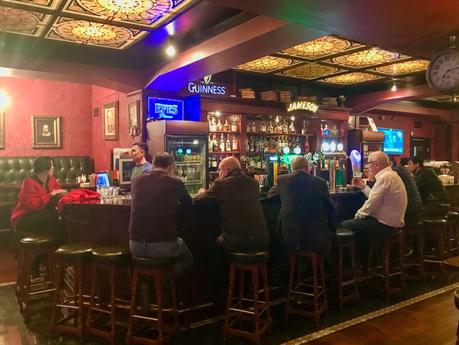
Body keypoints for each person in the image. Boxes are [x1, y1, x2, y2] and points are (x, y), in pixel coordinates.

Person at [129, 152, 193, 275]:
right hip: (163, 245)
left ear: (153, 165)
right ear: (170, 167)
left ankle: (151, 284)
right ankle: (165, 281)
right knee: (188, 259)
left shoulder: (137, 181)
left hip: (135, 245)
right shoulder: (175, 182)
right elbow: (188, 204)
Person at [195, 156, 269, 253]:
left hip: (237, 242)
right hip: (261, 240)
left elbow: (198, 200)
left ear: (225, 170)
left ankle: (222, 268)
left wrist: (202, 192)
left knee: (210, 244)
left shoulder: (221, 184)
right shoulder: (254, 183)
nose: (219, 174)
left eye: (219, 170)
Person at [267, 156, 336, 260]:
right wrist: (333, 228)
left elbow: (270, 195)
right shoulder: (320, 182)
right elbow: (331, 208)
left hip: (289, 237)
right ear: (308, 168)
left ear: (291, 168)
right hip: (316, 236)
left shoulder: (282, 180)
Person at [340, 151, 407, 257]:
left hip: (385, 225)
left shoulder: (385, 178)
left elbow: (371, 204)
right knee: (357, 224)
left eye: (369, 163)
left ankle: (354, 264)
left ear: (377, 165)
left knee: (344, 225)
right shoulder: (391, 175)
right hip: (393, 223)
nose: (367, 166)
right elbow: (375, 197)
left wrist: (357, 216)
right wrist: (363, 187)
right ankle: (365, 264)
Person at [11, 156, 67, 239]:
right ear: (43, 167)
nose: (53, 167)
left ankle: (57, 247)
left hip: (42, 214)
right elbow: (31, 206)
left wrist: (61, 193)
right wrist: (51, 194)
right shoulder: (28, 182)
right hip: (24, 217)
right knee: (52, 218)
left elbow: (57, 189)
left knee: (62, 218)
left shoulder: (51, 179)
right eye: (51, 165)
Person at [390, 156, 423, 226]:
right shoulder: (401, 171)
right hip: (416, 210)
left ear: (390, 163)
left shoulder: (393, 172)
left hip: (409, 214)